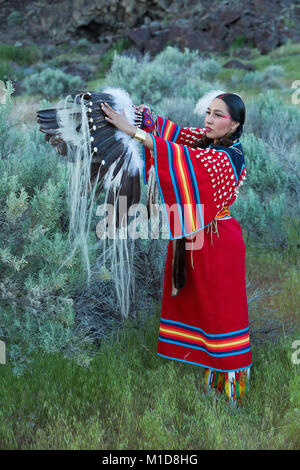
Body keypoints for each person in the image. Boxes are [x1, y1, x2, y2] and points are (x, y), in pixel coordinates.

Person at [100, 92, 251, 406]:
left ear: (234, 124)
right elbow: (177, 136)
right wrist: (143, 118)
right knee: (202, 307)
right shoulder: (207, 140)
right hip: (196, 239)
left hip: (219, 241)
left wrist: (133, 132)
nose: (209, 120)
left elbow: (183, 157)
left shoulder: (229, 157)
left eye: (218, 115)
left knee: (223, 312)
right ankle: (212, 377)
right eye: (208, 112)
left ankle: (230, 389)